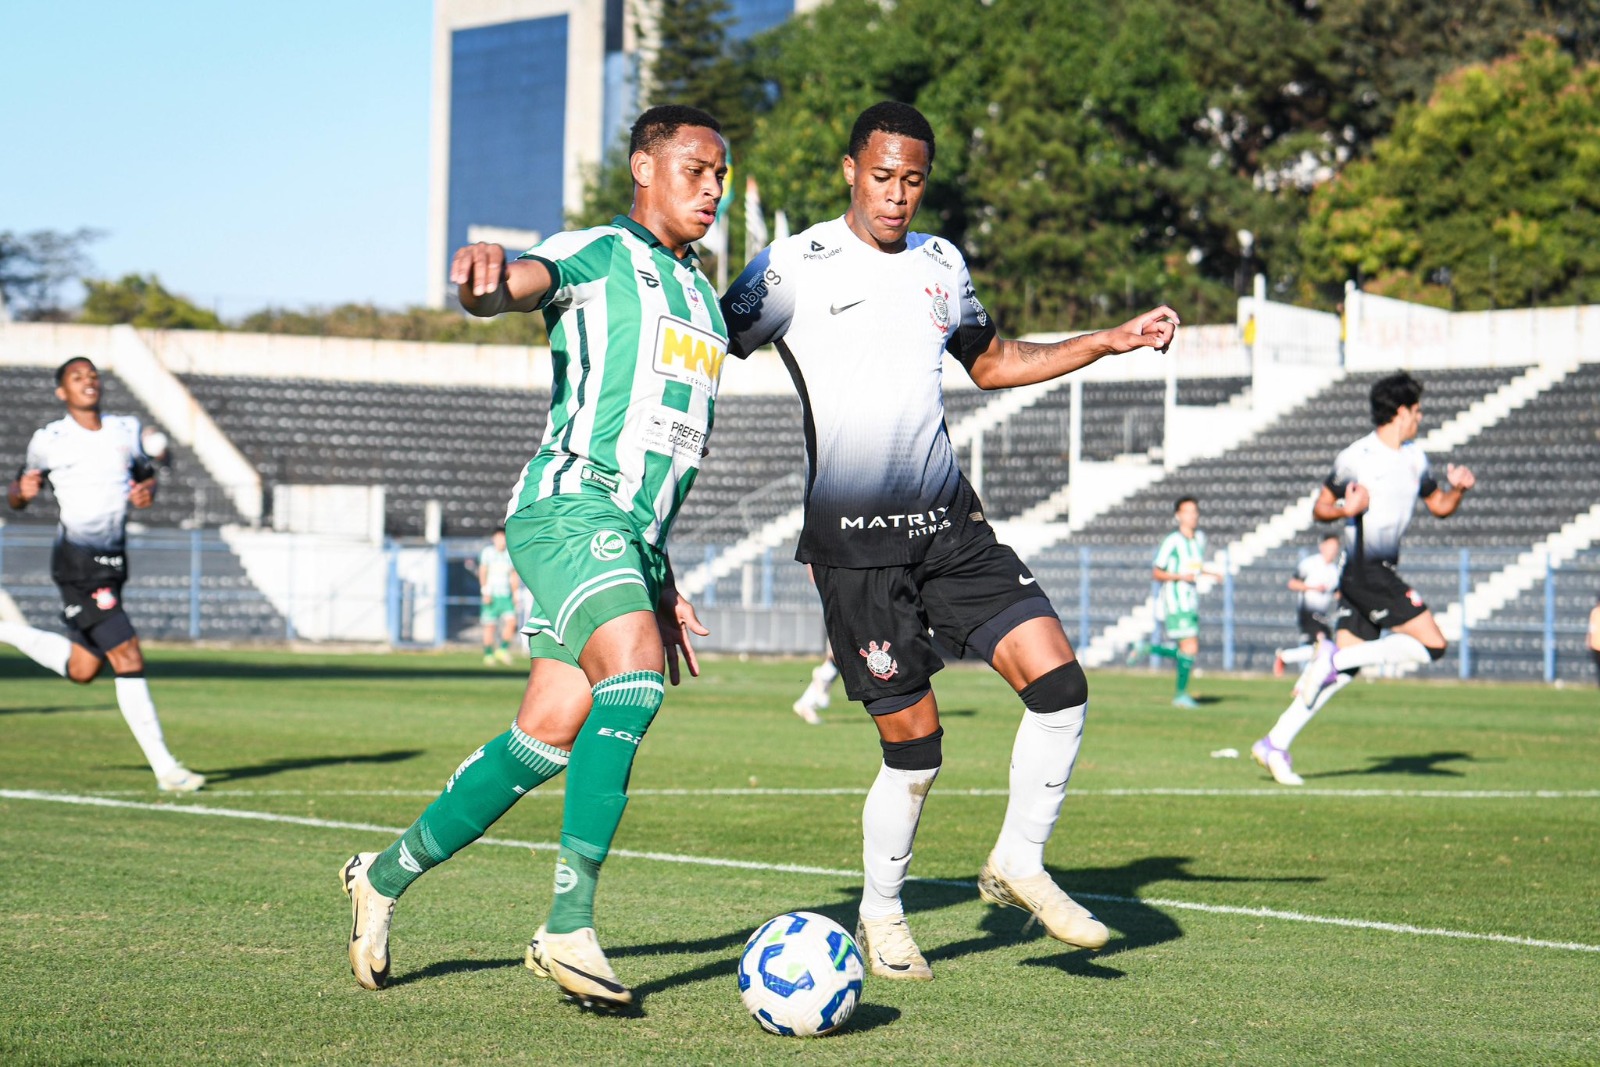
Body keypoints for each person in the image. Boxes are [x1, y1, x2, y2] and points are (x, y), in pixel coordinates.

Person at [722, 101, 1179, 979]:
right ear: (850, 170)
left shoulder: (941, 263)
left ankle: (1018, 861)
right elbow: (705, 340)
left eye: (913, 180)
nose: (897, 195)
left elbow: (993, 361)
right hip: (857, 548)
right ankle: (881, 913)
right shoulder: (791, 266)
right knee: (916, 749)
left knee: (1060, 685)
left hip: (949, 526)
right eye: (882, 176)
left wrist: (1107, 341)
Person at [340, 105, 731, 1010]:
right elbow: (519, 283)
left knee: (546, 731)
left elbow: (662, 442)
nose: (712, 187)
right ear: (644, 168)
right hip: (568, 507)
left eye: (721, 173)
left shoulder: (705, 299)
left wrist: (658, 572)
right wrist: (484, 284)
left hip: (628, 535)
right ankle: (568, 924)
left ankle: (382, 876)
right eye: (696, 168)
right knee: (634, 680)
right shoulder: (599, 252)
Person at [1252, 371, 1476, 786]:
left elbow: (1440, 506)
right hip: (1365, 571)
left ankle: (1275, 743)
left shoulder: (1416, 458)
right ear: (1401, 412)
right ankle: (1332, 659)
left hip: (1376, 571)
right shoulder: (1357, 456)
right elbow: (1320, 508)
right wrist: (1346, 509)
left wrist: (1458, 489)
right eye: (1417, 410)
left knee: (1343, 672)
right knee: (1433, 644)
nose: (1420, 417)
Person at [1, 357, 204, 793]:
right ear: (62, 391)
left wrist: (148, 490)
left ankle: (5, 631)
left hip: (113, 562)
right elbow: (18, 492)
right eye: (77, 377)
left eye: (92, 375)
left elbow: (147, 475)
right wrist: (22, 493)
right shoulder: (49, 439)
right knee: (127, 653)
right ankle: (167, 770)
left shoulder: (125, 430)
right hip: (77, 563)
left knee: (83, 668)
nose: (88, 381)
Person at [1130, 496, 1223, 708]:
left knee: (1188, 650)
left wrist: (1211, 574)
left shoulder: (1199, 539)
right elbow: (1157, 572)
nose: (1193, 515)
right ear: (1178, 515)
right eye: (1187, 511)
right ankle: (1179, 692)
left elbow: (1194, 568)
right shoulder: (1172, 541)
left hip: (1191, 601)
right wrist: (1180, 577)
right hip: (1175, 602)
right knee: (1190, 648)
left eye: (1195, 511)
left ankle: (1149, 650)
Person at [1272, 532, 1342, 677]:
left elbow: (1337, 592)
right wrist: (1313, 588)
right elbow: (1292, 583)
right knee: (1323, 646)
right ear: (1322, 546)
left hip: (1322, 614)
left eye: (1336, 547)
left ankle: (1286, 657)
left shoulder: (1334, 570)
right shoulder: (1310, 564)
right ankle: (1288, 660)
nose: (1333, 550)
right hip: (1308, 612)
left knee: (1325, 648)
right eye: (1331, 546)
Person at [471, 527, 521, 665]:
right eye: (499, 537)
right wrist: (485, 591)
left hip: (506, 595)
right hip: (492, 595)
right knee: (490, 626)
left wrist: (515, 594)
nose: (502, 541)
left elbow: (513, 575)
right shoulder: (488, 553)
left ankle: (502, 650)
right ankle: (488, 654)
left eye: (504, 537)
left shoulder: (509, 554)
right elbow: (483, 571)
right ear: (494, 538)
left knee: (512, 623)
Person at [791, 645, 836, 725]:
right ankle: (806, 708)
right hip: (830, 669)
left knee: (820, 692)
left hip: (833, 669)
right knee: (823, 701)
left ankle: (803, 705)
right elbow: (831, 654)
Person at [1588, 592, 1600, 687]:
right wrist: (1589, 640)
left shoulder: (1595, 612)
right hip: (1595, 644)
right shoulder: (1595, 612)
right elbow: (1591, 628)